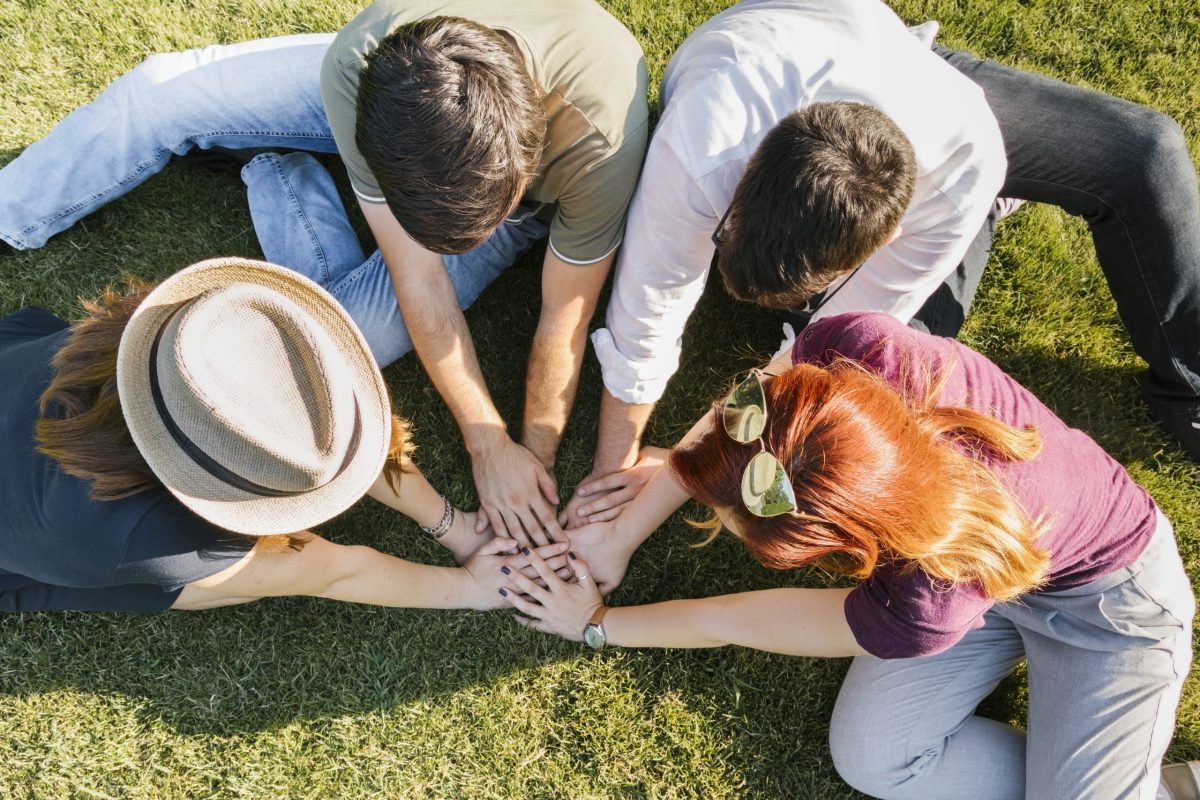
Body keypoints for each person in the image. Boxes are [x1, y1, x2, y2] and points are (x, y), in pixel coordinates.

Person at [0, 0, 650, 547]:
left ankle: (274, 167)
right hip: (407, 106)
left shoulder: (601, 146)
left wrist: (521, 454)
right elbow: (417, 278)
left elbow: (564, 320)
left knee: (347, 342)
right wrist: (484, 447)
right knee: (153, 96)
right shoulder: (366, 62)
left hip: (504, 168)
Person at [563, 0, 1200, 528]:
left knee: (1145, 152)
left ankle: (1189, 390)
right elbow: (651, 304)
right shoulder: (705, 142)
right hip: (801, 53)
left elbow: (825, 345)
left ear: (889, 233)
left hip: (934, 100)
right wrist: (611, 472)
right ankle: (984, 217)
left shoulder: (957, 170)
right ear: (750, 173)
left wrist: (682, 466)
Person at [511, 312, 1194, 799]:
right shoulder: (857, 346)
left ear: (837, 545)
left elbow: (736, 619)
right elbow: (750, 404)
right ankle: (1086, 764)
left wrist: (598, 623)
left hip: (1107, 610)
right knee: (873, 760)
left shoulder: (922, 604)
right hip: (986, 574)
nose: (708, 514)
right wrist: (638, 518)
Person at [0, 257, 568, 613]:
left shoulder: (189, 337)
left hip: (19, 366)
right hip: (33, 547)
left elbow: (340, 436)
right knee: (205, 585)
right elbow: (331, 570)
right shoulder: (161, 540)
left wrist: (455, 525)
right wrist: (469, 587)